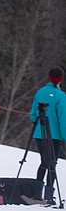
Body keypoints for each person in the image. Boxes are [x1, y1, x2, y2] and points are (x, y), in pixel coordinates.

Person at [30, 66, 66, 203]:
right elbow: (63, 118)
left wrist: (38, 123)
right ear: (61, 79)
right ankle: (49, 194)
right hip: (54, 135)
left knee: (44, 162)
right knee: (51, 163)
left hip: (40, 133)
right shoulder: (61, 96)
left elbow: (33, 114)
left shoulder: (40, 92)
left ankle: (36, 192)